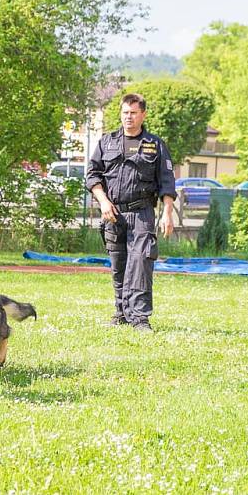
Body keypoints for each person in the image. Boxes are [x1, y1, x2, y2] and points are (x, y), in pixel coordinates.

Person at [85, 93, 176, 332]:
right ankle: (122, 314)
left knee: (141, 265)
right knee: (119, 265)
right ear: (121, 114)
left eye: (134, 113)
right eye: (125, 112)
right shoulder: (107, 142)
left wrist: (167, 212)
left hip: (142, 214)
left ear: (143, 115)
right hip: (112, 213)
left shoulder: (155, 145)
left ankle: (140, 319)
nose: (129, 117)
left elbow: (167, 182)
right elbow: (92, 175)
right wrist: (103, 201)